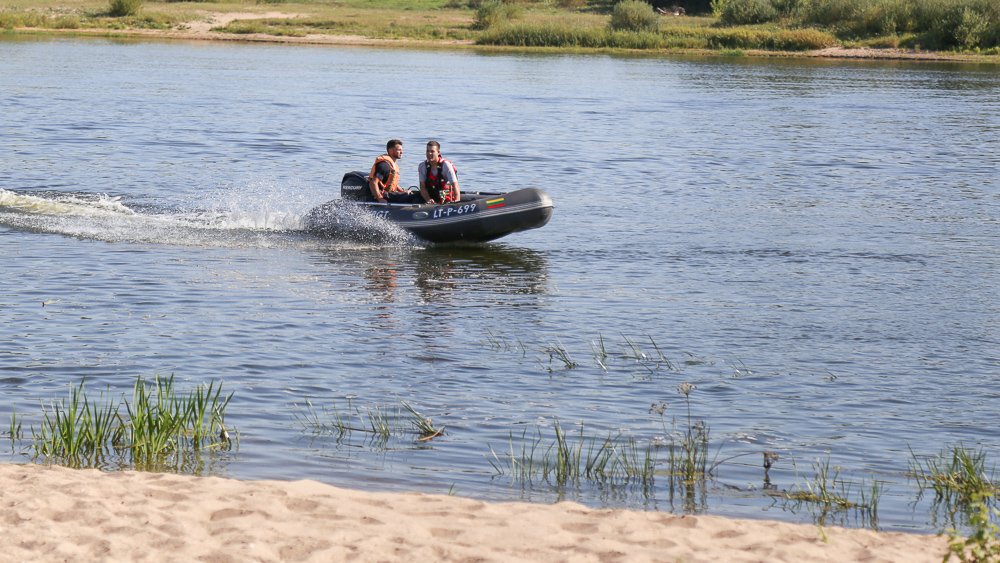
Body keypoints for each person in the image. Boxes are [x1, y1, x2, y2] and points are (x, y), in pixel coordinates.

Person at [369, 139, 415, 204]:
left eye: (402, 150)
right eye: (399, 150)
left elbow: (392, 183)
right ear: (391, 151)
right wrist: (380, 199)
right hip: (381, 195)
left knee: (411, 193)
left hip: (388, 193)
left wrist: (402, 191)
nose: (401, 152)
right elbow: (373, 183)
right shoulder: (384, 166)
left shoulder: (393, 165)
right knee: (410, 196)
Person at [418, 140, 461, 205]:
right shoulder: (422, 166)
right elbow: (422, 187)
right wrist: (428, 200)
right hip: (430, 197)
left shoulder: (446, 165)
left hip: (444, 197)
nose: (429, 153)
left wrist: (457, 202)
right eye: (427, 151)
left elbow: (455, 185)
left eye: (432, 151)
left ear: (438, 152)